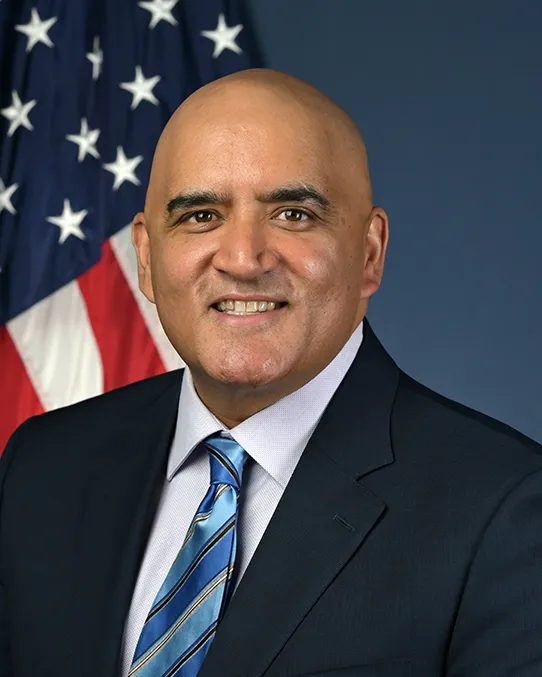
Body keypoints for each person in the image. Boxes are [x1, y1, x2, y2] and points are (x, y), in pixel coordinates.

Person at [1, 69, 542, 677]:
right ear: (147, 260)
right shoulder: (41, 467)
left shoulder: (509, 509)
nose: (243, 259)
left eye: (292, 214)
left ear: (369, 253)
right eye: (201, 215)